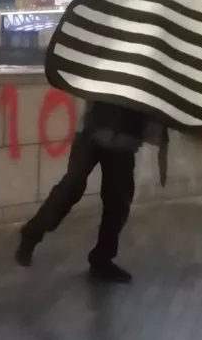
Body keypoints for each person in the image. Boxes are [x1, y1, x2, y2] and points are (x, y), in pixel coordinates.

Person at [14, 100, 169, 282]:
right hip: (92, 133)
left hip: (123, 142)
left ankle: (102, 259)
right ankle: (32, 234)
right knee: (71, 188)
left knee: (118, 201)